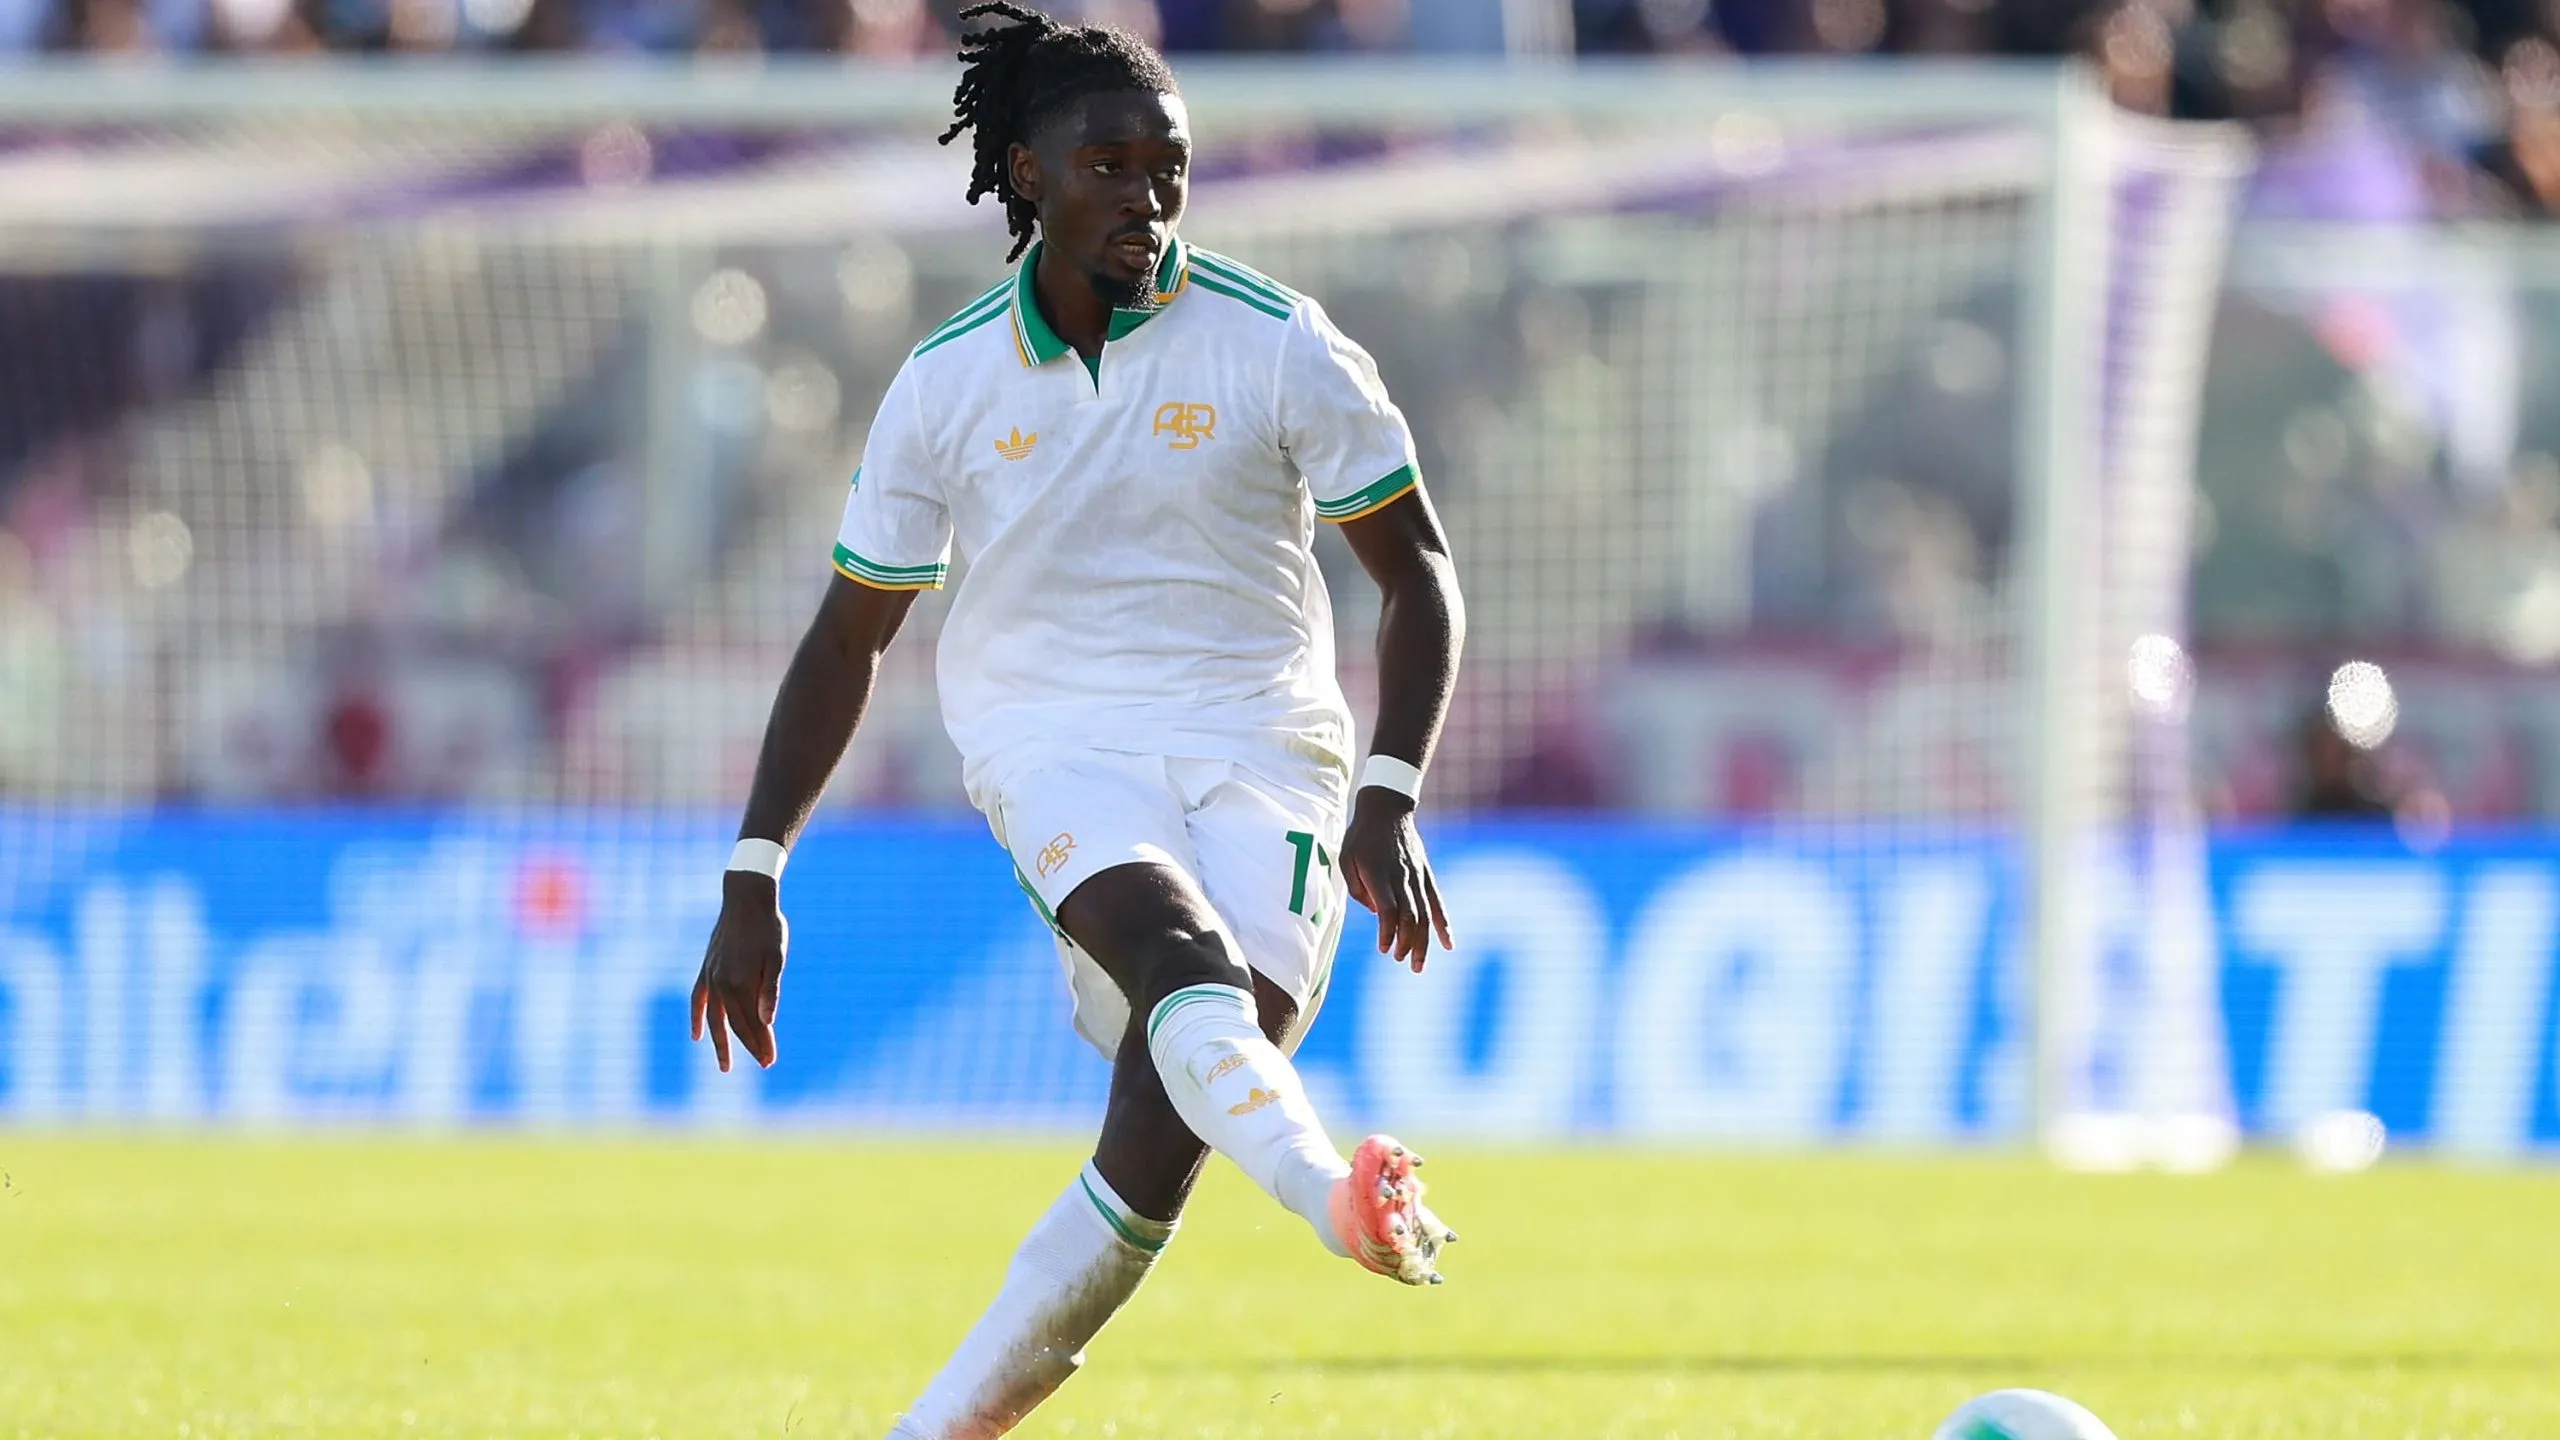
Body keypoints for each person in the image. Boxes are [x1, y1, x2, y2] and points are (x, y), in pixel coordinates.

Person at [688, 5, 1468, 1434]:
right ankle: (1338, 1202)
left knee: (1166, 1127)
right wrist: (756, 867)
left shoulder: (1280, 343)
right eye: (1109, 166)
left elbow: (1417, 569)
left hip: (1268, 747)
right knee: (1181, 972)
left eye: (1168, 166)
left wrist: (1391, 786)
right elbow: (849, 633)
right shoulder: (945, 386)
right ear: (1028, 176)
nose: (1148, 196)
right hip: (1055, 741)